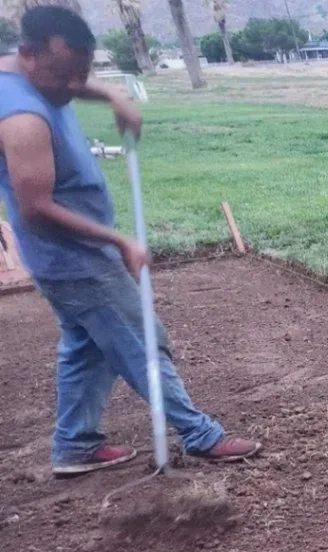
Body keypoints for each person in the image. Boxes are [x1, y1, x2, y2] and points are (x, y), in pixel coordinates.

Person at [0, 6, 258, 478]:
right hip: (73, 257)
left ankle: (74, 444)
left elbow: (71, 81)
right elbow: (35, 209)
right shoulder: (22, 117)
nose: (71, 86)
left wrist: (112, 94)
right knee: (141, 339)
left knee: (87, 348)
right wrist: (117, 238)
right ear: (29, 54)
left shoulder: (24, 74)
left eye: (80, 73)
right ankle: (199, 434)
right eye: (62, 74)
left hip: (63, 257)